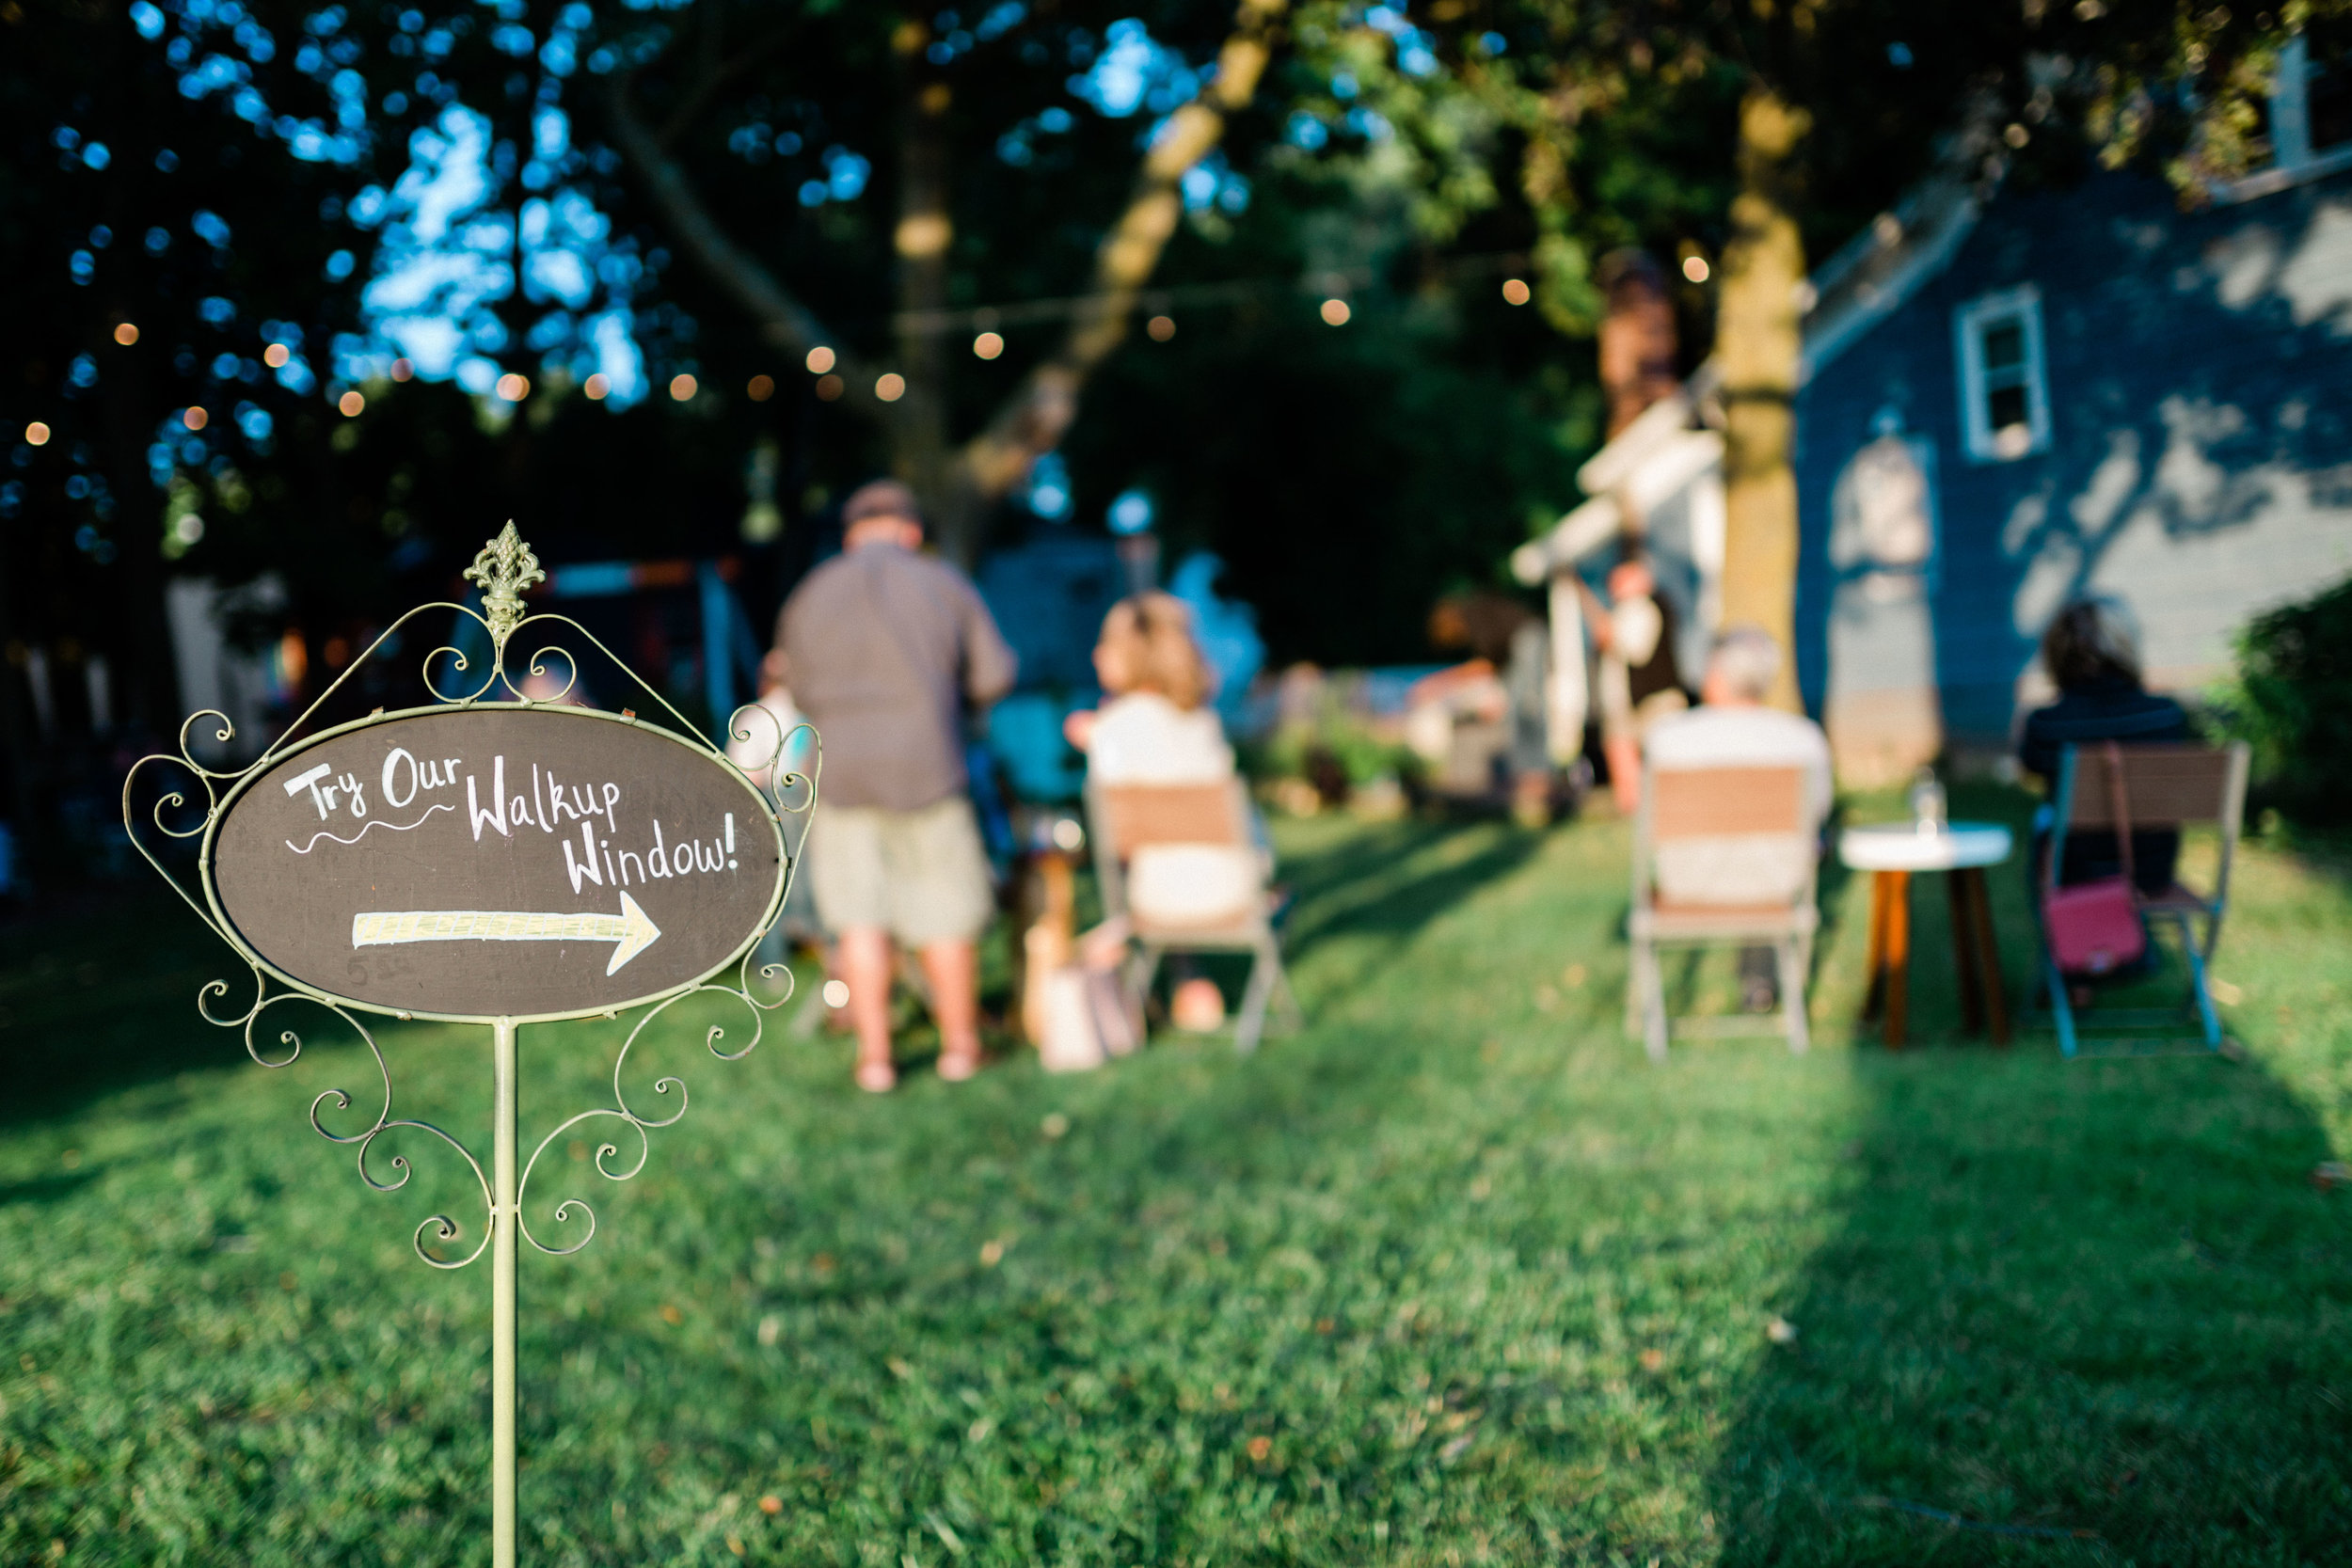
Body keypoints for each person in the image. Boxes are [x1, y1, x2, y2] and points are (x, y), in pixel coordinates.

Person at [776, 480, 1017, 1092]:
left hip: (841, 777)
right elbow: (995, 677)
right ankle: (960, 1047)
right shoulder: (944, 583)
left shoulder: (810, 594)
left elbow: (797, 691)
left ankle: (876, 1059)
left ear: (853, 533)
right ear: (911, 531)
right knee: (946, 913)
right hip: (929, 769)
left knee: (860, 919)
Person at [1063, 593, 1257, 1029]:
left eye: (1106, 646)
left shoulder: (1112, 731)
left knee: (1151, 864)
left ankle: (1175, 980)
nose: (1096, 655)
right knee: (1176, 860)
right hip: (1235, 891)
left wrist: (1095, 736)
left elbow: (1117, 838)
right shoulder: (1203, 723)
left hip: (1155, 900)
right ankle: (1190, 981)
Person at [1643, 626, 1832, 1010]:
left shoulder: (1669, 738)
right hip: (1775, 881)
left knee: (1739, 854)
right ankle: (1760, 985)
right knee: (1763, 855)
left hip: (1687, 881)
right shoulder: (1803, 739)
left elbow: (1648, 820)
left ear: (1715, 675)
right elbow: (1818, 811)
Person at [2018, 596, 2190, 895]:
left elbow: (2030, 765)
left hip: (2075, 876)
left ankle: (2063, 936)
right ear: (2126, 645)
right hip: (2150, 874)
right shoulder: (2166, 715)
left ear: (2057, 651)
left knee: (2045, 818)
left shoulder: (2047, 724)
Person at [1581, 555, 1690, 815]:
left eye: (1621, 580)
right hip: (1622, 699)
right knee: (1620, 749)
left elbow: (1636, 651)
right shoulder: (1624, 612)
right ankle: (1630, 808)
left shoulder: (1648, 607)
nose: (1614, 586)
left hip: (1655, 697)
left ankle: (1665, 809)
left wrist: (1607, 630)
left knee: (1665, 758)